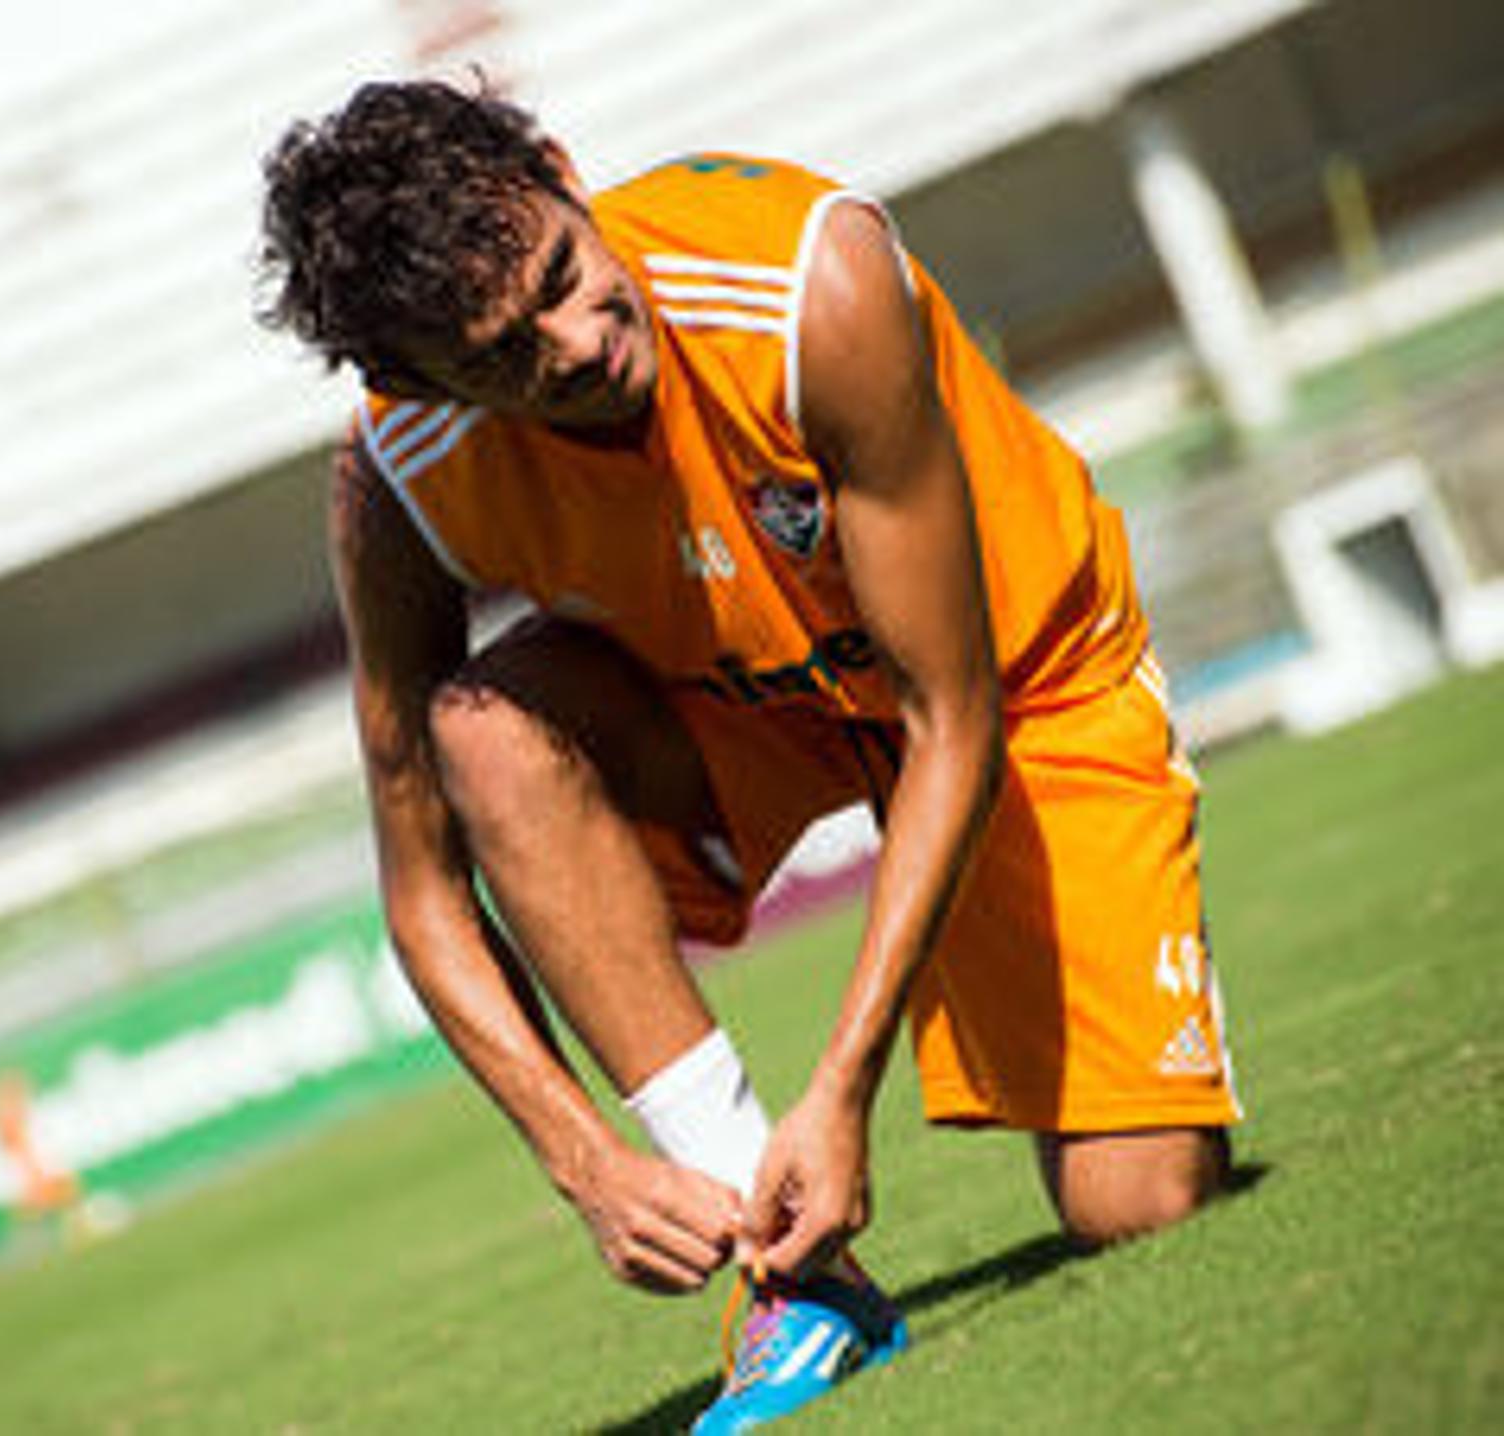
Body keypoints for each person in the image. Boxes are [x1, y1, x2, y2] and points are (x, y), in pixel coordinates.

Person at [257, 78, 1241, 1432]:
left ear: (558, 166)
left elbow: (948, 716)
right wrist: (587, 1162)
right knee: (480, 736)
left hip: (1015, 688)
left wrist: (842, 1091)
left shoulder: (805, 286)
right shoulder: (396, 477)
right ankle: (808, 1289)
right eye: (500, 355)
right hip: (736, 713)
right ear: (414, 381)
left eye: (561, 272)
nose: (576, 342)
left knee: (1139, 1209)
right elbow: (425, 895)